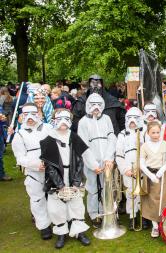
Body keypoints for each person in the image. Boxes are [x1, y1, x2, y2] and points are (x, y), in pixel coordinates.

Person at [40, 109, 100, 249]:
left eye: (66, 119)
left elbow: (81, 159)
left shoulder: (74, 137)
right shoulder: (48, 140)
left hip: (72, 175)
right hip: (56, 179)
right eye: (59, 119)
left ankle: (79, 231)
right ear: (54, 120)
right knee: (56, 207)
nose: (63, 122)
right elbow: (49, 166)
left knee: (77, 204)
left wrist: (76, 182)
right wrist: (59, 185)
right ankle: (62, 233)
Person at [11, 103, 52, 240]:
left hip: (52, 169)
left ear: (39, 114)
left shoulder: (48, 128)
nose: (30, 117)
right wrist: (35, 164)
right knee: (37, 198)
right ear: (22, 116)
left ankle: (58, 221)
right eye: (26, 114)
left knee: (54, 196)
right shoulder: (19, 135)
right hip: (34, 172)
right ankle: (44, 225)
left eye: (33, 114)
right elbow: (20, 158)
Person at [77, 93, 116, 228]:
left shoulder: (107, 119)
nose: (96, 107)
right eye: (93, 104)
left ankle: (106, 211)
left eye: (99, 105)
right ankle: (94, 214)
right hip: (91, 162)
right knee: (93, 188)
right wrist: (93, 164)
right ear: (88, 105)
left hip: (106, 161)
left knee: (106, 187)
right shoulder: (83, 122)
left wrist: (108, 159)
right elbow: (83, 146)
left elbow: (111, 139)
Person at [115, 107, 148, 230]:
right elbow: (119, 154)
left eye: (135, 118)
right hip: (128, 169)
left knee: (143, 194)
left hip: (142, 168)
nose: (132, 121)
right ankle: (132, 216)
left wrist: (142, 167)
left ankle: (144, 216)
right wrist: (125, 170)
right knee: (130, 193)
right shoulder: (122, 134)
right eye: (130, 118)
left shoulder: (145, 132)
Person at [139, 121, 166, 238]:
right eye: (153, 132)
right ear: (148, 133)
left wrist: (161, 171)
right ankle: (154, 226)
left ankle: (164, 222)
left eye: (158, 132)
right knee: (152, 201)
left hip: (162, 175)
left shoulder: (165, 144)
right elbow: (142, 164)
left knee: (164, 199)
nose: (156, 135)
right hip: (151, 176)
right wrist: (151, 175)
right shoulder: (144, 146)